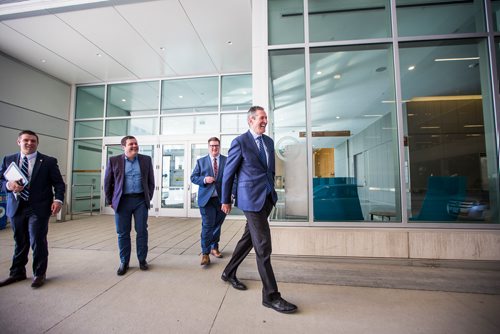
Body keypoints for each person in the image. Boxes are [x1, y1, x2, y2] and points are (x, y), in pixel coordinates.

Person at [220, 106, 297, 314]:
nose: (265, 121)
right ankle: (271, 296)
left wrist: (272, 191)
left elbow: (269, 170)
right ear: (251, 120)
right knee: (263, 246)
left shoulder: (269, 142)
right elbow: (229, 174)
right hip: (250, 200)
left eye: (266, 118)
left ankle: (228, 272)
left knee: (249, 239)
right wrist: (225, 199)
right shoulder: (240, 142)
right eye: (261, 118)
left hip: (266, 198)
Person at [0, 130, 65, 288]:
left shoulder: (48, 161)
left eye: (33, 141)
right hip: (16, 207)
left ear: (37, 143)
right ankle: (17, 273)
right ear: (19, 142)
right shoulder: (9, 160)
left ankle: (39, 274)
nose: (29, 143)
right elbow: (1, 179)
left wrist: (58, 200)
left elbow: (59, 183)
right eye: (26, 140)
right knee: (20, 241)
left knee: (37, 240)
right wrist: (9, 185)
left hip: (39, 208)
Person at [104, 136, 155, 276]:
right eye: (131, 144)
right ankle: (124, 262)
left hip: (140, 201)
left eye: (136, 143)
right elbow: (107, 183)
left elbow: (151, 182)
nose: (134, 146)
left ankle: (142, 260)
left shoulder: (146, 160)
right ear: (123, 147)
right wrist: (111, 201)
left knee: (142, 231)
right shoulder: (114, 161)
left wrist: (147, 198)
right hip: (122, 202)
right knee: (122, 233)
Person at [190, 137, 227, 266]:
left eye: (216, 145)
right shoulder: (201, 162)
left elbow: (233, 179)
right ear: (208, 147)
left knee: (217, 225)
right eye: (211, 146)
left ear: (219, 146)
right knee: (207, 225)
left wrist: (231, 195)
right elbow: (193, 177)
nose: (214, 148)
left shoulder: (226, 160)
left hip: (222, 200)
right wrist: (205, 180)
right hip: (206, 200)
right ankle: (205, 253)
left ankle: (214, 247)